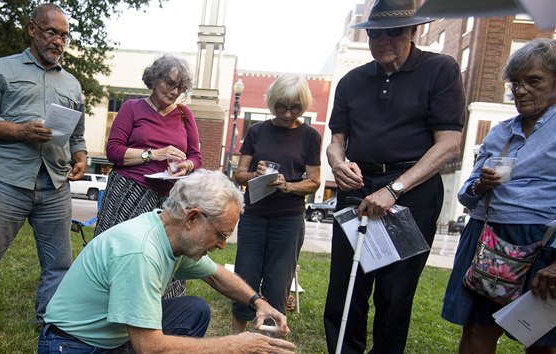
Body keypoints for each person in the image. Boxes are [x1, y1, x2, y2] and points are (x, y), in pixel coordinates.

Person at [324, 0, 466, 352]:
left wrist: (395, 189)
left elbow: (449, 143)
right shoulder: (352, 81)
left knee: (395, 292)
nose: (383, 39)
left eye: (394, 31)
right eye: (375, 32)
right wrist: (338, 163)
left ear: (414, 31)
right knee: (346, 286)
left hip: (412, 192)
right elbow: (336, 142)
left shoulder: (441, 69)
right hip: (357, 188)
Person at [39, 170, 296, 353]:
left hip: (108, 337)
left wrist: (258, 302)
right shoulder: (140, 251)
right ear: (193, 218)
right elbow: (148, 347)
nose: (220, 245)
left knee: (194, 310)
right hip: (73, 345)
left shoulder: (170, 236)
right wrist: (233, 346)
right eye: (220, 235)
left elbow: (216, 275)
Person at [0, 3, 87, 349]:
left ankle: (49, 321)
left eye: (64, 35)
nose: (58, 41)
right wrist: (19, 131)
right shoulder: (1, 69)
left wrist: (79, 156)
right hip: (7, 180)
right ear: (32, 30)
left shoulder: (72, 82)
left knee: (60, 263)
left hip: (55, 183)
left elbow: (77, 132)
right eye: (51, 32)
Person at [442, 38, 556, 354]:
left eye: (533, 81)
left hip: (543, 241)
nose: (520, 90)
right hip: (486, 235)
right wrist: (481, 186)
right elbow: (466, 195)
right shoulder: (501, 132)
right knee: (477, 329)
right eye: (515, 83)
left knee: (539, 339)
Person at [95, 53, 201, 299]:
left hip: (167, 197)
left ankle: (163, 307)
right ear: (154, 79)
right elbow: (114, 152)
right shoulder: (132, 108)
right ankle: (108, 301)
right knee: (120, 250)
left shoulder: (185, 115)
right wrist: (154, 154)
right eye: (170, 84)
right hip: (128, 192)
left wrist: (185, 166)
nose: (175, 92)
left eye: (181, 88)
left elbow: (196, 156)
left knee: (164, 252)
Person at [231, 73, 321, 332]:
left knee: (278, 283)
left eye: (295, 107)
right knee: (244, 280)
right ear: (272, 102)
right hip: (254, 216)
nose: (288, 113)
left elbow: (314, 181)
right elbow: (239, 174)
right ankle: (237, 341)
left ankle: (271, 344)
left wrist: (288, 185)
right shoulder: (257, 131)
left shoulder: (310, 136)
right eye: (282, 106)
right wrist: (256, 175)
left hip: (288, 220)